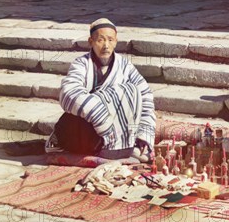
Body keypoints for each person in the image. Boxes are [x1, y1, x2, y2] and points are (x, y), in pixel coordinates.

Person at [45, 18, 155, 164]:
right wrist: (103, 120)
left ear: (116, 41)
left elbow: (145, 96)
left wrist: (143, 136)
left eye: (110, 40)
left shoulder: (125, 66)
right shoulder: (81, 64)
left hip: (115, 129)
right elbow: (68, 93)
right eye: (100, 40)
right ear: (91, 42)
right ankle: (114, 149)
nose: (106, 46)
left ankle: (123, 147)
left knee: (131, 91)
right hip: (87, 128)